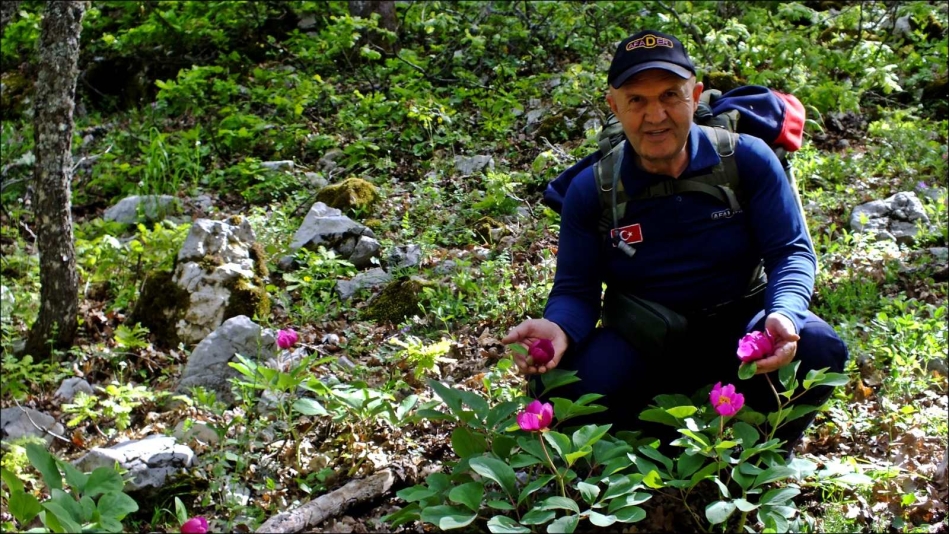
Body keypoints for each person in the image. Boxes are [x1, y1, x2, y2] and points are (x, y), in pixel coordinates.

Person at [502, 29, 849, 452]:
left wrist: (786, 313)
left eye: (670, 95)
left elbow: (791, 251)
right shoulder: (592, 191)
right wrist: (558, 328)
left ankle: (761, 453)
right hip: (645, 340)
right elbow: (577, 289)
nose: (656, 115)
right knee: (560, 386)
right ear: (614, 107)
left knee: (817, 345)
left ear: (695, 96)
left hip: (741, 333)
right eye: (637, 100)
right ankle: (653, 455)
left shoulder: (747, 161)